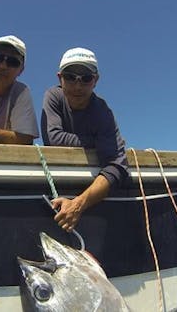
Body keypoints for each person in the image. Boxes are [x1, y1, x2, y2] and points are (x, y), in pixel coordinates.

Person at [41, 47, 128, 232]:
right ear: (60, 78)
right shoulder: (53, 97)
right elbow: (54, 138)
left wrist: (78, 205)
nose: (78, 86)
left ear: (95, 80)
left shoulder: (103, 112)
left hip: (94, 199)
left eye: (86, 78)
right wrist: (97, 142)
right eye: (70, 77)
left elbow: (117, 166)